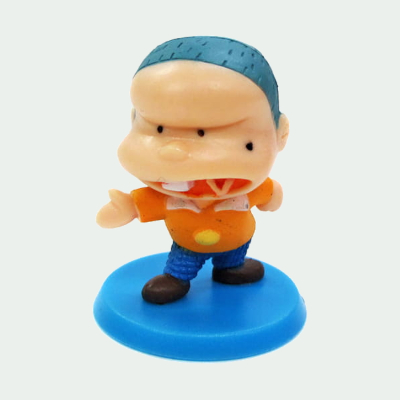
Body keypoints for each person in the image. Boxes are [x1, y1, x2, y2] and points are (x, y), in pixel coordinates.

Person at [97, 36, 289, 304]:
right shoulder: (170, 195)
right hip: (188, 245)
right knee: (182, 263)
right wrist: (125, 207)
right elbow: (140, 205)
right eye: (158, 129)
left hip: (238, 240)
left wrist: (273, 196)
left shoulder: (249, 189)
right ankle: (177, 278)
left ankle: (231, 268)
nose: (175, 152)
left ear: (280, 134)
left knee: (234, 257)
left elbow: (269, 195)